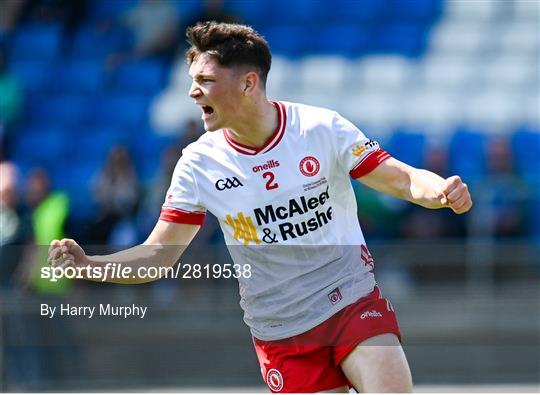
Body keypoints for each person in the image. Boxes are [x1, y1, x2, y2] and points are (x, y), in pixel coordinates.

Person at [48, 22, 472, 393]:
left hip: (352, 301)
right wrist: (90, 265)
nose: (193, 91)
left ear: (249, 83)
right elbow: (159, 255)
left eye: (206, 80)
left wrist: (439, 191)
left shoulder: (321, 128)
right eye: (192, 80)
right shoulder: (197, 163)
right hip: (282, 332)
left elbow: (400, 176)